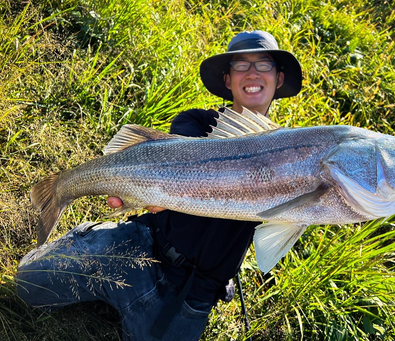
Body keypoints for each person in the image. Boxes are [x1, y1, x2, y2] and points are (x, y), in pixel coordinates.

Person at [16, 30, 302, 340]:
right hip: (141, 244)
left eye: (264, 64)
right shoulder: (196, 122)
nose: (252, 73)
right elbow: (172, 169)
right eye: (241, 65)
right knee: (28, 282)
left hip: (191, 294)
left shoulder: (299, 154)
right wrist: (143, 189)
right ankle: (80, 223)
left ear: (279, 78)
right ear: (228, 79)